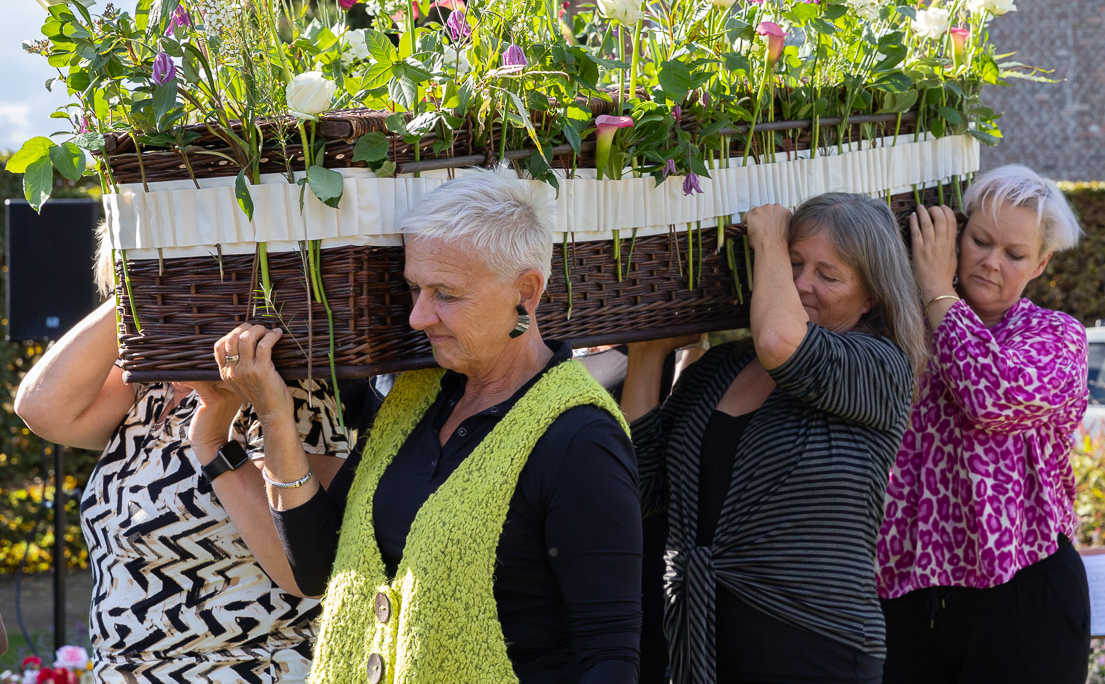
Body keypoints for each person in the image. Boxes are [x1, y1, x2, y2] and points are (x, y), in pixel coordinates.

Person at [196, 170, 643, 684]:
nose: (417, 316)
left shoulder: (578, 435)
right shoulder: (415, 399)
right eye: (415, 288)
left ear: (525, 291)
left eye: (446, 294)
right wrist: (273, 416)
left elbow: (609, 652)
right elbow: (321, 565)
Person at [622, 193, 924, 684]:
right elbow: (639, 485)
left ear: (870, 296)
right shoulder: (722, 367)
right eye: (794, 262)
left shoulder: (881, 365)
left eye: (827, 275)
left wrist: (767, 239)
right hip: (702, 641)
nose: (802, 284)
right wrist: (646, 355)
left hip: (815, 644)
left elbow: (782, 343)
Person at [13, 295, 361, 682]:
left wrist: (215, 444)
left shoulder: (281, 387)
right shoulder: (149, 392)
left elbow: (304, 570)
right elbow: (41, 407)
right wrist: (137, 285)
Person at [877, 164, 1092, 684]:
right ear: (957, 231)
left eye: (1014, 254)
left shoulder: (1057, 337)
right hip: (903, 595)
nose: (991, 262)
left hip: (1025, 594)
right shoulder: (897, 325)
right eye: (980, 240)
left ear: (1039, 265)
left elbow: (989, 396)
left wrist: (934, 287)